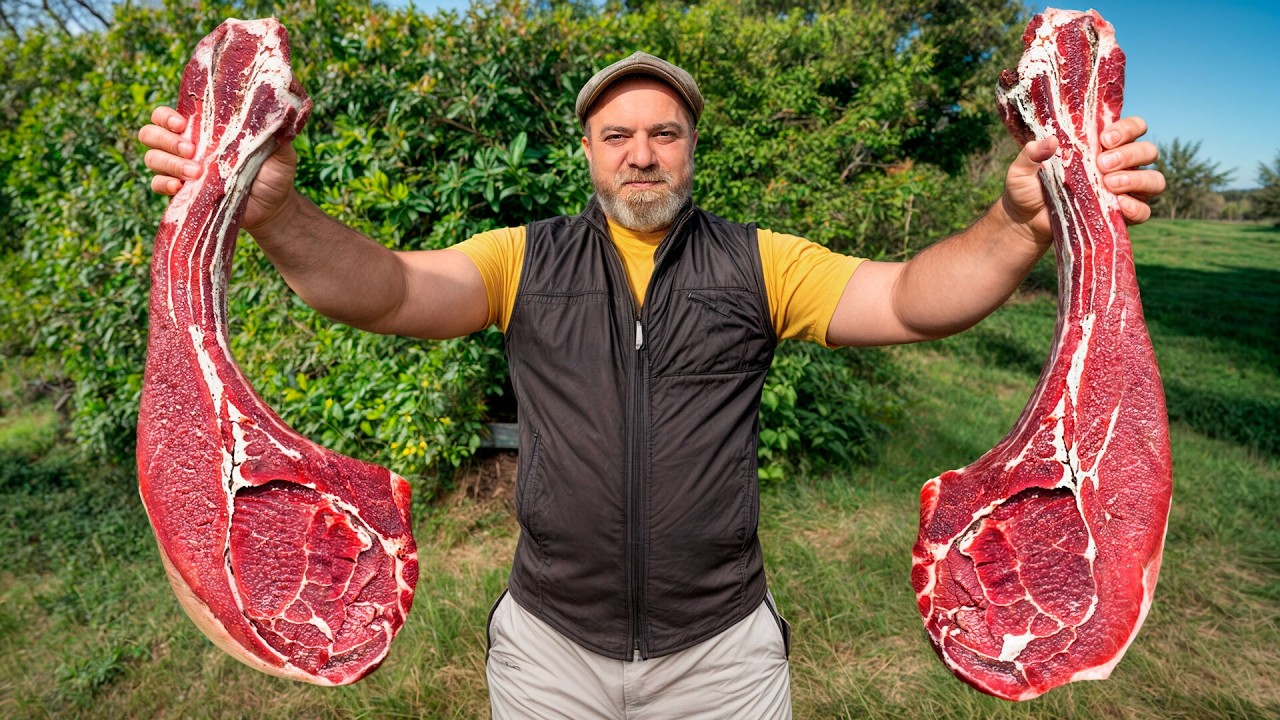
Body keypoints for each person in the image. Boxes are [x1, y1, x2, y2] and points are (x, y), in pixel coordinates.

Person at [139, 51, 1164, 719]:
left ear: (690, 151)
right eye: (618, 134)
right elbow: (388, 287)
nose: (641, 152)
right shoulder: (521, 260)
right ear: (585, 152)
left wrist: (1022, 222)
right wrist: (270, 211)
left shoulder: (758, 264)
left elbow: (909, 300)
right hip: (548, 651)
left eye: (664, 133)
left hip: (720, 654)